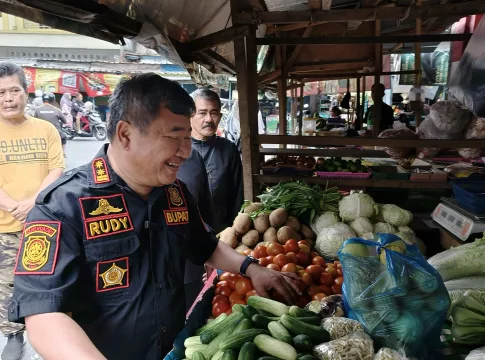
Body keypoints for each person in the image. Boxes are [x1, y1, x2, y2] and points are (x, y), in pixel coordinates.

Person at [8, 73, 300, 360]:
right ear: (125, 135)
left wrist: (253, 269)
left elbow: (205, 246)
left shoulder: (175, 194)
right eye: (174, 135)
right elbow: (44, 315)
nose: (185, 151)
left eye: (188, 137)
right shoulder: (62, 206)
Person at [0, 62, 64, 360]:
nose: (8, 98)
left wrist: (32, 202)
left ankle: (47, 333)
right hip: (4, 227)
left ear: (26, 92)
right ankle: (13, 335)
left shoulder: (46, 129)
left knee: (44, 282)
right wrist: (13, 205)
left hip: (42, 223)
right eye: (1, 92)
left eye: (14, 90)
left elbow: (57, 168)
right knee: (7, 284)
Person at [190, 89, 243, 232]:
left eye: (213, 113)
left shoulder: (229, 150)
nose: (208, 119)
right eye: (202, 113)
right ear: (190, 115)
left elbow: (237, 196)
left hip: (221, 232)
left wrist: (233, 231)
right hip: (186, 231)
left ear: (220, 116)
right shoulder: (178, 148)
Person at [177, 148, 215, 311]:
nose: (184, 145)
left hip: (191, 270)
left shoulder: (192, 156)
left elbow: (205, 212)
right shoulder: (92, 192)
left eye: (187, 136)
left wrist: (210, 255)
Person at [34, 93, 68, 157]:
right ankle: (63, 153)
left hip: (41, 133)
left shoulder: (37, 109)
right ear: (53, 100)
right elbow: (65, 121)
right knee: (64, 137)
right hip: (55, 132)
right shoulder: (57, 110)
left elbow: (34, 121)